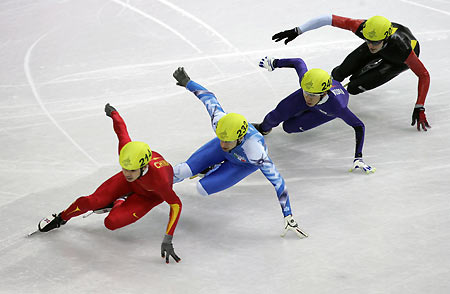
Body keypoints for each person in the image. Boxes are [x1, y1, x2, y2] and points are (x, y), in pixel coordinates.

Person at [172, 67, 307, 239]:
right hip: (233, 154)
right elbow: (208, 97)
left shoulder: (255, 152)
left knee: (202, 189)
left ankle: (212, 168)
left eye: (227, 140)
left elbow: (278, 182)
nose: (223, 143)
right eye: (220, 138)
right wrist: (188, 83)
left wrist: (288, 215)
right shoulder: (220, 121)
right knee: (183, 170)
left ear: (240, 137)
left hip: (242, 164)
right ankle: (164, 181)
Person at [37, 104, 182, 264]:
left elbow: (176, 205)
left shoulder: (160, 180)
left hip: (149, 196)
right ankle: (61, 218)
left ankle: (120, 201)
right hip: (135, 184)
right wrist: (114, 113)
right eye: (124, 168)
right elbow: (122, 131)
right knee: (91, 201)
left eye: (131, 170)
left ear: (144, 166)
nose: (127, 174)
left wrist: (168, 238)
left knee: (111, 223)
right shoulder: (128, 156)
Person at [271, 15, 431, 131]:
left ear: (386, 38)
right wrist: (298, 30)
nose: (370, 45)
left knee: (354, 87)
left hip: (396, 60)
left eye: (374, 42)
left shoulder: (403, 50)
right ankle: (321, 97)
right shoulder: (364, 29)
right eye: (367, 40)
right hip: (385, 43)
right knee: (340, 72)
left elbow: (424, 75)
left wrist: (420, 106)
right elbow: (327, 19)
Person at [253, 56, 375, 174]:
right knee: (273, 117)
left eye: (312, 95)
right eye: (306, 93)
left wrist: (358, 157)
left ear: (324, 93)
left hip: (325, 112)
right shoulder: (308, 84)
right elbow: (298, 62)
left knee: (288, 127)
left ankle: (301, 113)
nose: (308, 98)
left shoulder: (337, 107)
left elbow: (359, 125)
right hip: (310, 101)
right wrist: (275, 63)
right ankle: (263, 129)